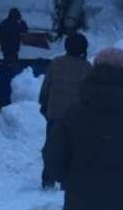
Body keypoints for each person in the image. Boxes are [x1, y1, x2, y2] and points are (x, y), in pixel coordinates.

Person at [44, 46, 123, 210]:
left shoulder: (74, 112)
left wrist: (73, 180)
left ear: (94, 69)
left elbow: (53, 160)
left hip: (81, 209)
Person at [39, 32, 92, 190]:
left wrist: (44, 105)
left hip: (54, 113)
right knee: (73, 148)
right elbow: (90, 93)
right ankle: (68, 180)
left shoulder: (56, 63)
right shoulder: (87, 67)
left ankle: (48, 179)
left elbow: (46, 88)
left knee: (53, 147)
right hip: (77, 116)